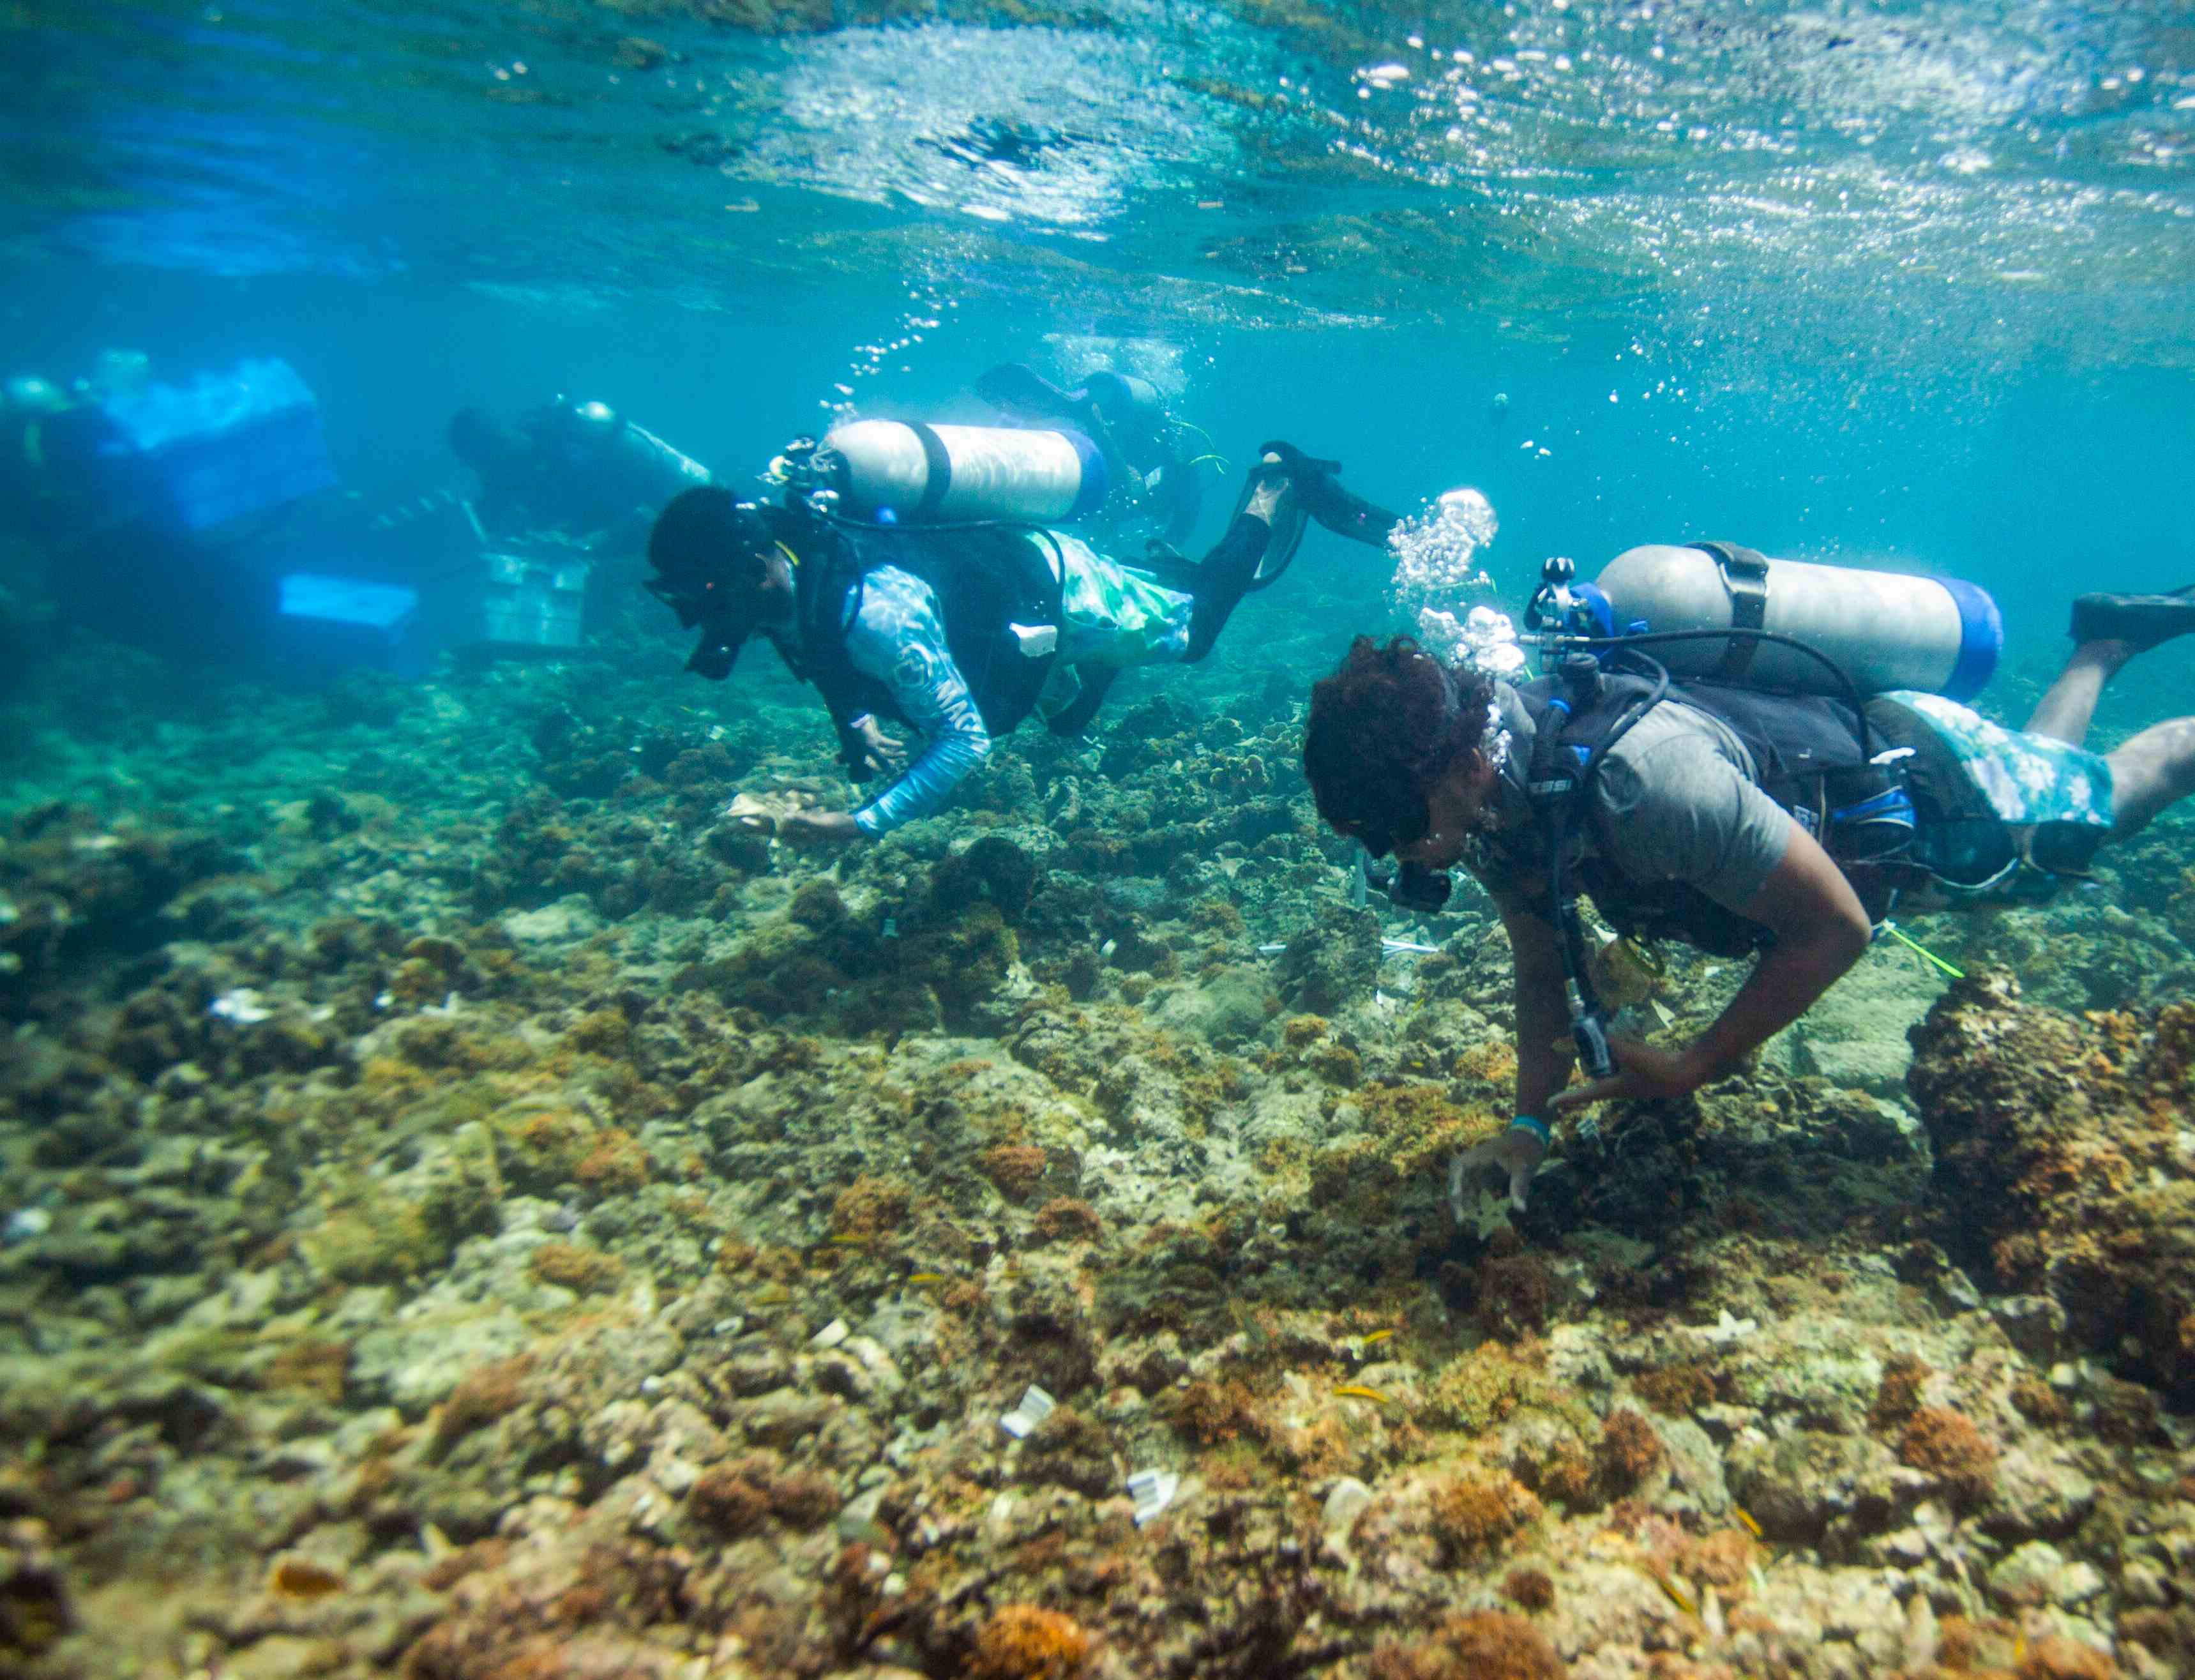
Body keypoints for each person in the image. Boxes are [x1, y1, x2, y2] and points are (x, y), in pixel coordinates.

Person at [1301, 589, 2195, 1216]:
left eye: (1391, 825)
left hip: (1933, 798)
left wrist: (1696, 1060)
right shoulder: (1501, 807)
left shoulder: (1638, 783)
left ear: (1459, 765)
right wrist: (1527, 1125)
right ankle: (2102, 641)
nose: (1394, 853)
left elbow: (1833, 927)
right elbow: (1541, 974)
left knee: (2108, 801)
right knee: (2049, 781)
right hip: (1903, 794)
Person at [645, 441, 1394, 844]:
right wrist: (857, 719)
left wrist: (862, 822)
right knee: (1067, 721)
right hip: (1015, 610)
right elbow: (819, 654)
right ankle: (1129, 603)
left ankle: (1274, 483)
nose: (697, 622)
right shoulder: (792, 575)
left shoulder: (874, 614)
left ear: (749, 568)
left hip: (1055, 587)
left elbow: (964, 741)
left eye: (701, 599)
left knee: (1196, 630)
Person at [449, 397, 715, 554]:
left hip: (675, 507)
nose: (483, 474)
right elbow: (489, 517)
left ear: (496, 443)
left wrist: (586, 541)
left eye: (481, 462)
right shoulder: (512, 473)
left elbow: (633, 494)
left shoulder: (565, 442)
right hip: (635, 526)